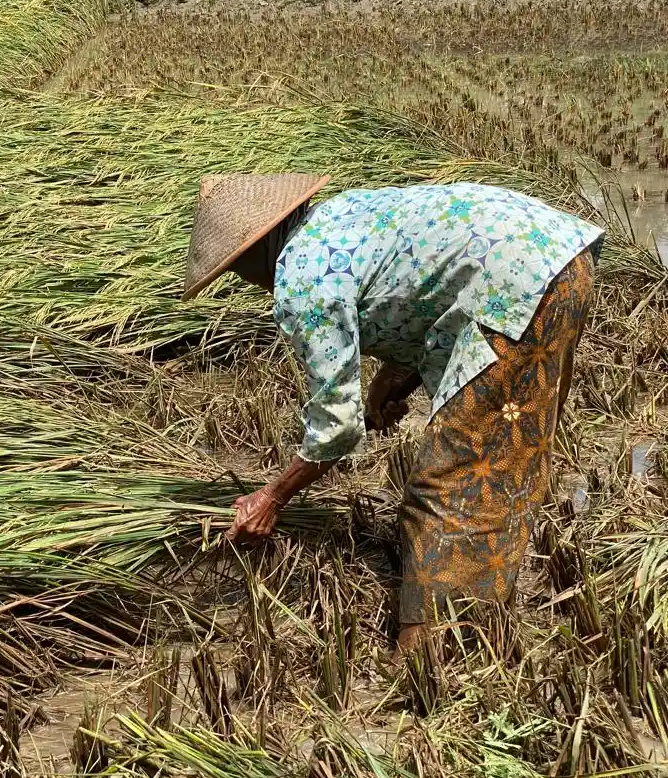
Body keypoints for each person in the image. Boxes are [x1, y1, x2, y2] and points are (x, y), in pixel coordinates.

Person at [182, 174, 604, 653]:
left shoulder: (301, 280)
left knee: (452, 482)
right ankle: (483, 626)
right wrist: (389, 379)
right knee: (508, 453)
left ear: (250, 253)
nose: (245, 282)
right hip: (564, 260)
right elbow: (424, 285)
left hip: (518, 285)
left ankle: (436, 654)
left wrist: (272, 498)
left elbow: (337, 425)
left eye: (235, 271)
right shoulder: (338, 216)